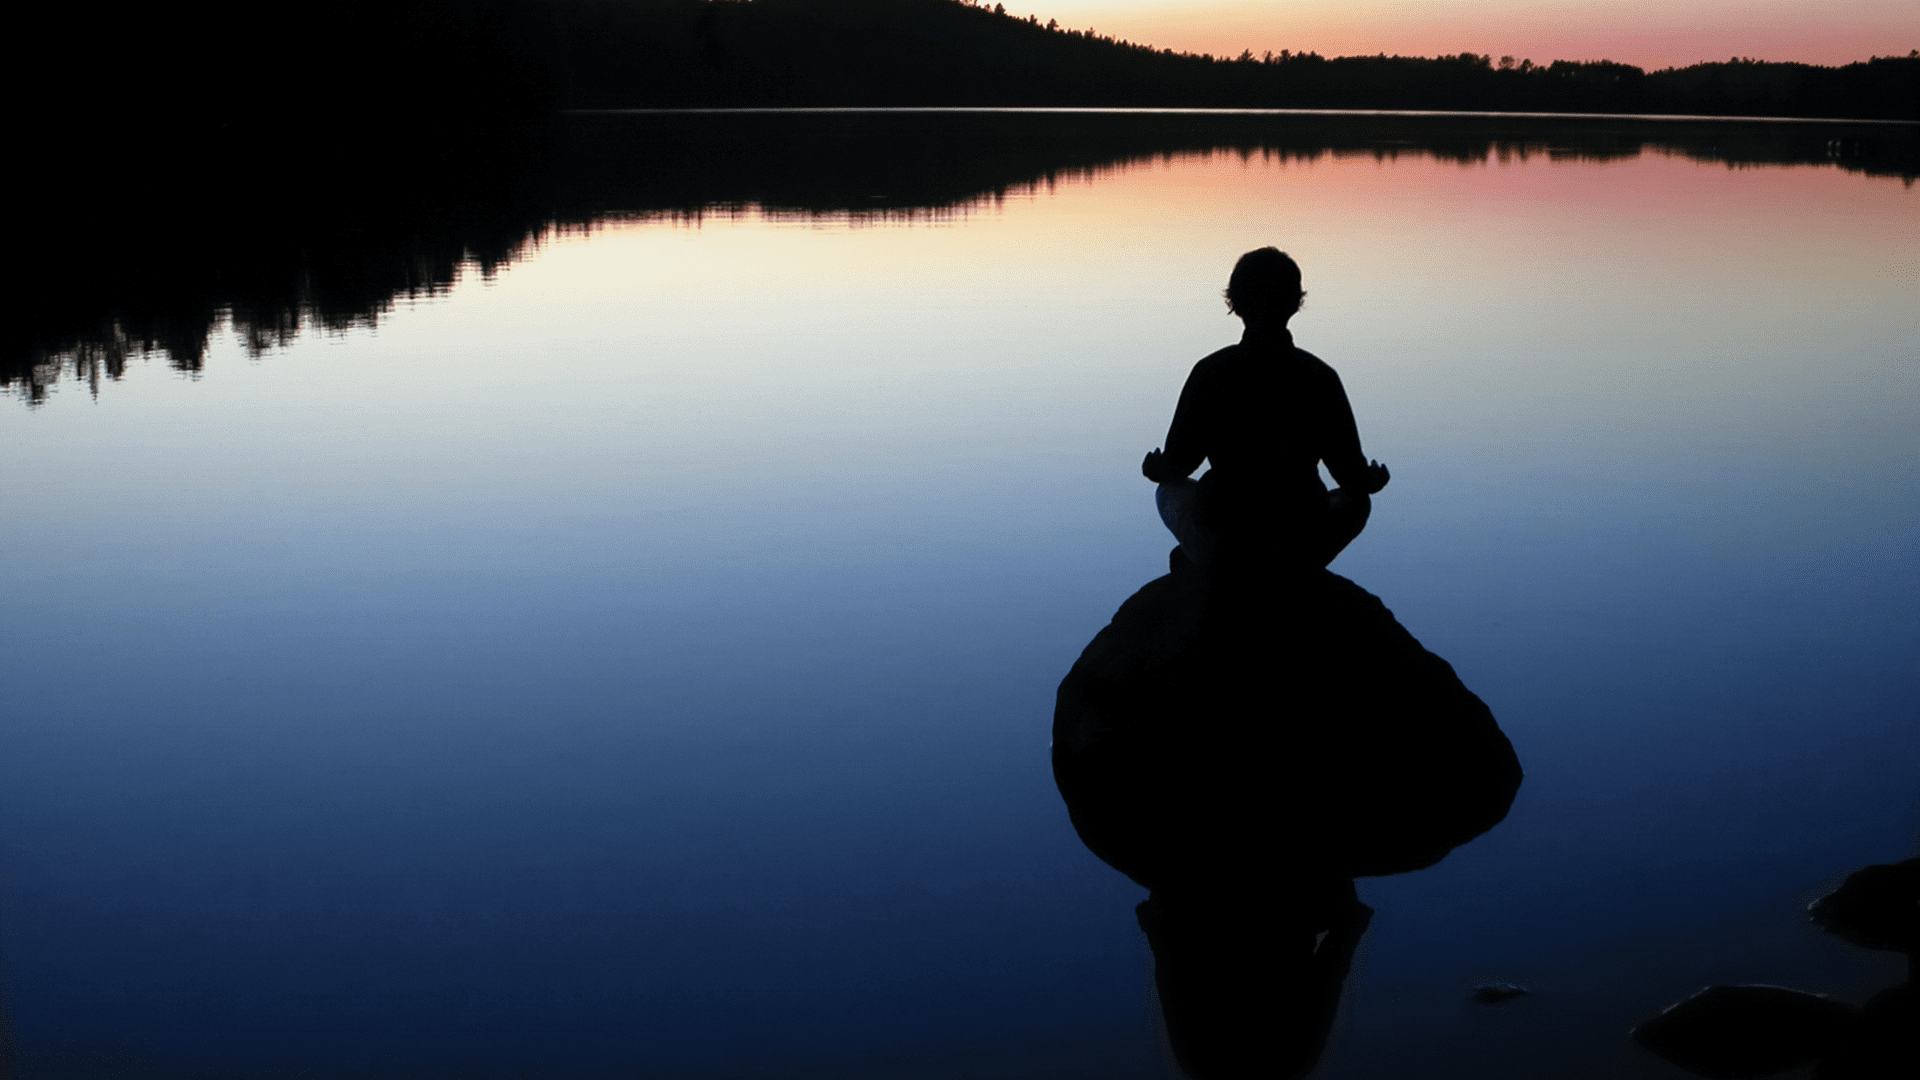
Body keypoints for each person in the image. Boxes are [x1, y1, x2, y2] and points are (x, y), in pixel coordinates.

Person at [1142, 248, 1389, 573]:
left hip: (1227, 529)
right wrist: (1373, 478)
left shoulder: (1211, 371)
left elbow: (1178, 466)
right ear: (1295, 303)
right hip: (1299, 530)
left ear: (1235, 302)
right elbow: (1350, 476)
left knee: (1169, 492)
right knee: (1356, 503)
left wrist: (1155, 468)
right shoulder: (1319, 376)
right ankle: (1292, 566)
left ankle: (1208, 559)